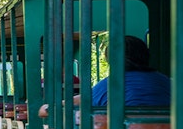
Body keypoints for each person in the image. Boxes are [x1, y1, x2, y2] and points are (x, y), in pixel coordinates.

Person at [39, 35, 170, 117]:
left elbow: (46, 112)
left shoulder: (108, 85)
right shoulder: (168, 83)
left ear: (111, 60)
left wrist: (49, 107)